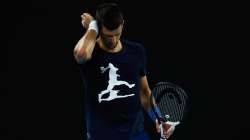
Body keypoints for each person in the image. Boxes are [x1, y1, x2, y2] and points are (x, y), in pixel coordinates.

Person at [74, 3, 175, 140]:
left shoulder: (136, 51)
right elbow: (81, 54)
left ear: (122, 24)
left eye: (117, 34)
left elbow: (144, 92)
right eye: (108, 35)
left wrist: (159, 117)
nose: (114, 40)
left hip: (136, 134)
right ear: (99, 28)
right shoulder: (91, 53)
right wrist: (92, 26)